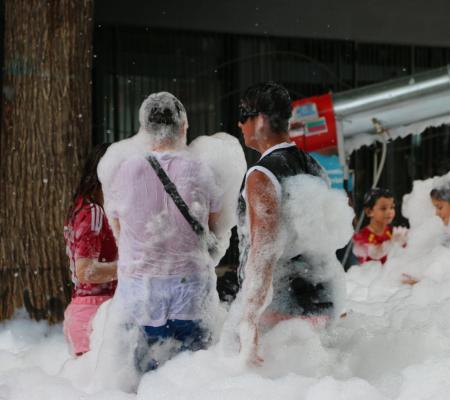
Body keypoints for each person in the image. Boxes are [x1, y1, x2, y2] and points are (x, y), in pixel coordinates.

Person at [105, 92, 222, 372]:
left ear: (144, 129)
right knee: (191, 382)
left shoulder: (123, 171)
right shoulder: (201, 170)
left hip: (140, 296)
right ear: (183, 126)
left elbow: (119, 230)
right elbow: (213, 227)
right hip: (191, 294)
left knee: (144, 382)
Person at [234, 81, 345, 365]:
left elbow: (264, 251)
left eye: (243, 117)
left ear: (258, 120)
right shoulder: (314, 167)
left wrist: (248, 320)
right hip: (324, 296)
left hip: (285, 307)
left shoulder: (262, 175)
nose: (239, 125)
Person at [63, 144, 118, 356]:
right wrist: (128, 268)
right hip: (93, 314)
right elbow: (85, 271)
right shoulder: (93, 211)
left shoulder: (83, 207)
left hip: (87, 313)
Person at [352, 188, 407, 265]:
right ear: (369, 211)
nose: (389, 212)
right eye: (383, 208)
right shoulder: (361, 237)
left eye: (392, 207)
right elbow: (374, 255)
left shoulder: (392, 232)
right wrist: (392, 243)